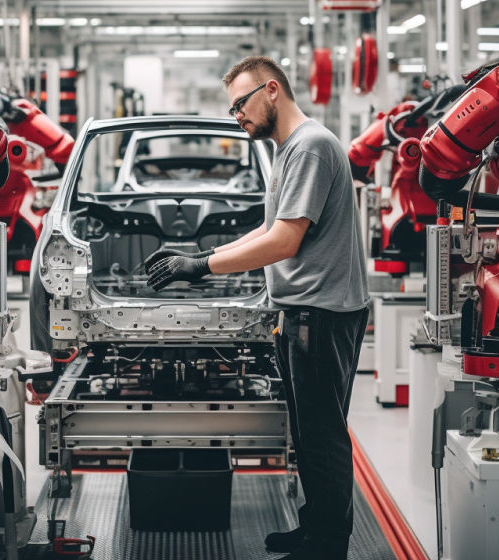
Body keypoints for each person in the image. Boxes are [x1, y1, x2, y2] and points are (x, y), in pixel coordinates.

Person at [145, 56, 369, 560]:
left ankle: (329, 547)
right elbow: (270, 229)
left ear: (271, 90)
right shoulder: (288, 150)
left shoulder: (309, 147)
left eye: (240, 104)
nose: (237, 117)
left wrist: (201, 266)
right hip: (306, 310)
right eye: (231, 109)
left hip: (323, 313)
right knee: (308, 436)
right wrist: (202, 258)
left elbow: (285, 243)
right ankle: (314, 527)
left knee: (323, 437)